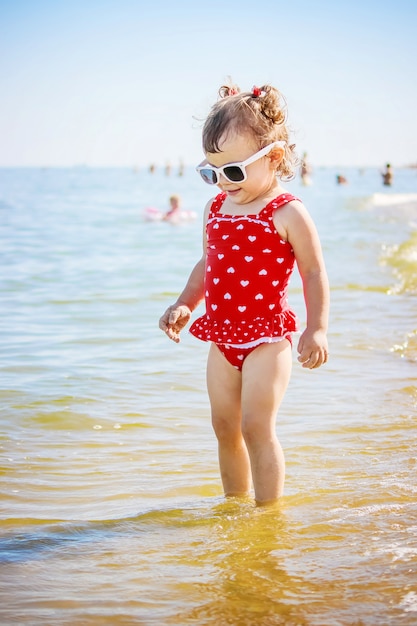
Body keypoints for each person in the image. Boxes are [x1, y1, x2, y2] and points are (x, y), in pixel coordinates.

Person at [159, 82, 329, 505]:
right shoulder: (215, 209)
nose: (222, 182)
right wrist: (185, 303)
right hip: (222, 337)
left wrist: (318, 329)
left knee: (256, 427)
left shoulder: (287, 211)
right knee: (224, 426)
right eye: (211, 172)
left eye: (233, 171)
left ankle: (268, 515)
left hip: (267, 340)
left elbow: (312, 271)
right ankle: (235, 506)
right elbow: (208, 263)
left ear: (272, 158)